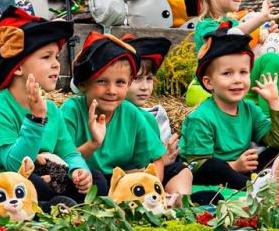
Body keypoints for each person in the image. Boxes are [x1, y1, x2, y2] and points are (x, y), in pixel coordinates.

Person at [0, 7, 92, 203]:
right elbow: (14, 165)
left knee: (95, 178)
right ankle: (54, 205)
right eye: (46, 57)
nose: (57, 64)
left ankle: (59, 202)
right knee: (30, 182)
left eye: (56, 57)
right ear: (18, 67)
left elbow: (69, 152)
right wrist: (36, 119)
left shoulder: (52, 110)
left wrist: (79, 170)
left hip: (32, 177)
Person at [60, 33, 190, 205]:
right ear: (83, 83)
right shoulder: (71, 111)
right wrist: (93, 144)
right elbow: (63, 161)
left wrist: (151, 187)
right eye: (102, 81)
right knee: (97, 179)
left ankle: (175, 202)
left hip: (126, 179)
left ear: (128, 83)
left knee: (180, 170)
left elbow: (156, 160)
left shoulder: (131, 113)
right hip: (86, 179)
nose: (112, 90)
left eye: (120, 82)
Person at [180, 30, 279, 202]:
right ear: (209, 82)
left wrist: (275, 102)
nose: (237, 80)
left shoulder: (250, 109)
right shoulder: (201, 118)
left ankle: (274, 184)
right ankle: (260, 191)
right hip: (212, 174)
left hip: (244, 171)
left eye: (243, 72)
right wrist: (234, 166)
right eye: (227, 73)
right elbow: (196, 165)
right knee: (214, 166)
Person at [122, 34, 193, 203]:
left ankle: (176, 200)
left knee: (181, 170)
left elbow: (160, 155)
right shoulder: (114, 114)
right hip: (125, 174)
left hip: (153, 172)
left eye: (149, 79)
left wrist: (166, 157)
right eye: (137, 79)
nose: (145, 87)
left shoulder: (154, 115)